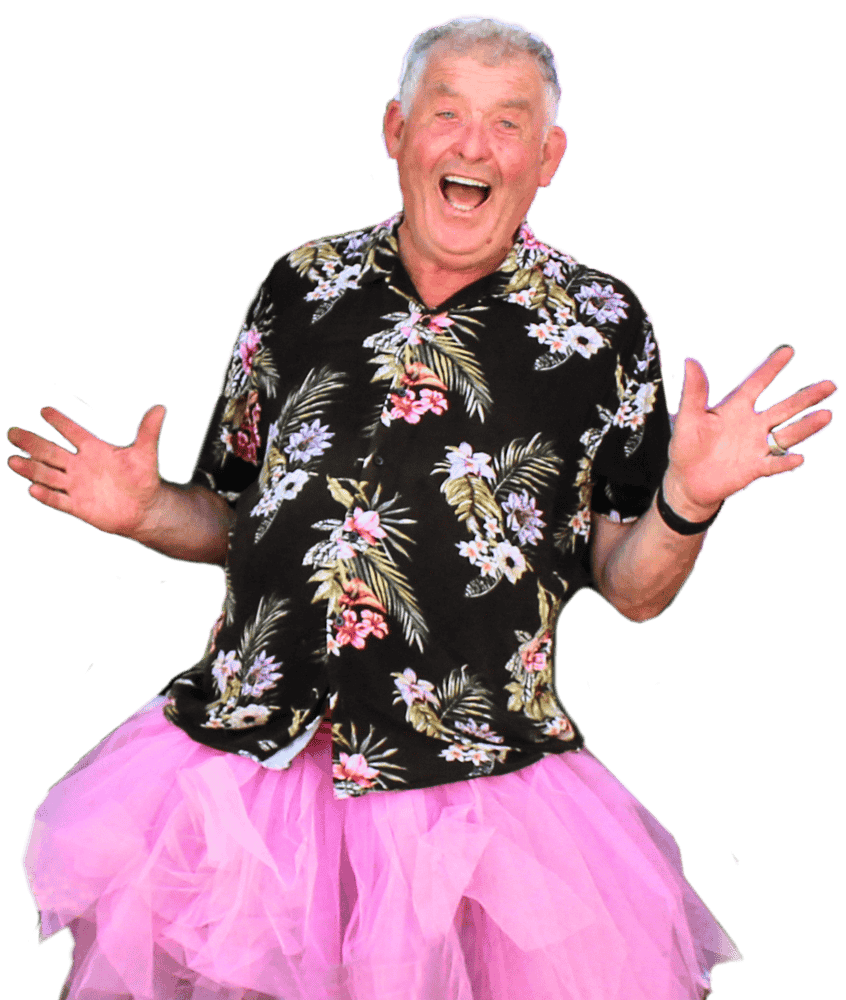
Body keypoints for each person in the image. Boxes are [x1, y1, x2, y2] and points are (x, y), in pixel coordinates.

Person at [9, 14, 836, 1000]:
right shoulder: (299, 284)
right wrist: (144, 510)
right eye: (446, 114)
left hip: (468, 797)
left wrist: (691, 498)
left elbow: (635, 588)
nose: (472, 145)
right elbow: (237, 518)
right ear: (396, 131)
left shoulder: (606, 324)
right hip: (246, 775)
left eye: (507, 122)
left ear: (548, 155)